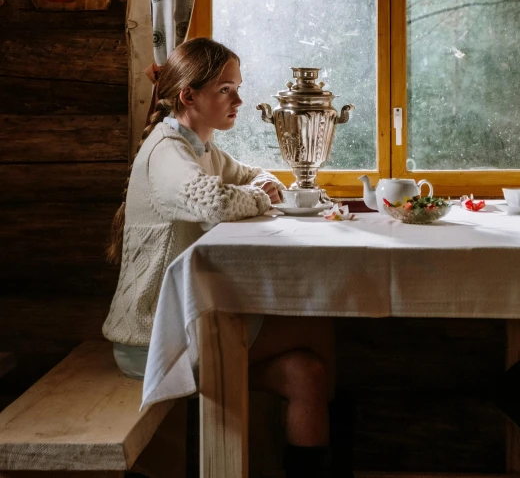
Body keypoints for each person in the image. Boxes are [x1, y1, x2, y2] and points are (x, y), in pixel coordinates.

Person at [103, 37, 347, 478]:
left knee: (305, 372)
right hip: (154, 337)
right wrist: (257, 195)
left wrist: (266, 183)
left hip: (187, 323)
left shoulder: (202, 147)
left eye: (237, 87)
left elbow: (252, 175)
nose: (239, 99)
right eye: (225, 90)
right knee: (317, 323)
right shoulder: (166, 151)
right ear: (188, 96)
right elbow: (214, 200)